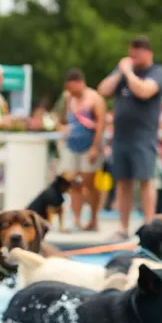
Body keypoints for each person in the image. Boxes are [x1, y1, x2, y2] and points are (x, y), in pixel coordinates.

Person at [96, 36, 162, 239]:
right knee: (123, 182)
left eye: (136, 56)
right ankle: (122, 226)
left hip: (144, 137)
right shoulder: (123, 73)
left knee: (146, 181)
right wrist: (120, 71)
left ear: (148, 53)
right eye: (131, 56)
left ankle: (149, 225)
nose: (133, 59)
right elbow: (103, 90)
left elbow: (144, 91)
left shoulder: (157, 72)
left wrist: (128, 72)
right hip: (121, 137)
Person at [58, 68, 107, 231]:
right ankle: (77, 219)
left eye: (72, 87)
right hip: (72, 146)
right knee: (73, 184)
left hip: (89, 147)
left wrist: (95, 148)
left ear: (79, 83)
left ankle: (94, 218)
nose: (70, 91)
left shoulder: (94, 99)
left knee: (90, 184)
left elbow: (101, 124)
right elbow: (62, 120)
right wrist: (63, 129)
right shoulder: (68, 99)